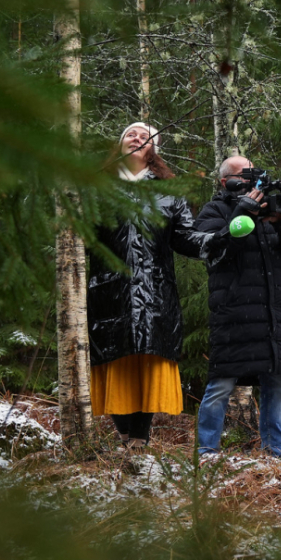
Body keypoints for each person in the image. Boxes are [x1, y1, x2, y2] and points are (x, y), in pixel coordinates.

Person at [88, 122, 212, 449]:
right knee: (113, 361)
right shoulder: (96, 187)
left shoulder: (169, 191)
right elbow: (81, 236)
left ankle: (139, 440)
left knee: (146, 359)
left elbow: (186, 238)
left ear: (151, 150)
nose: (137, 138)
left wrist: (218, 240)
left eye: (145, 137)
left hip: (154, 289)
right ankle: (126, 435)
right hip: (107, 289)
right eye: (131, 133)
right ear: (120, 144)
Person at [194, 154, 281, 459]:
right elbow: (209, 248)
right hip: (234, 312)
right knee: (221, 383)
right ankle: (207, 451)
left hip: (273, 313)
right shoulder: (215, 210)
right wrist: (239, 213)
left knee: (276, 384)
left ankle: (276, 453)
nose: (252, 181)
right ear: (226, 181)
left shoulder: (270, 209)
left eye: (254, 175)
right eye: (244, 175)